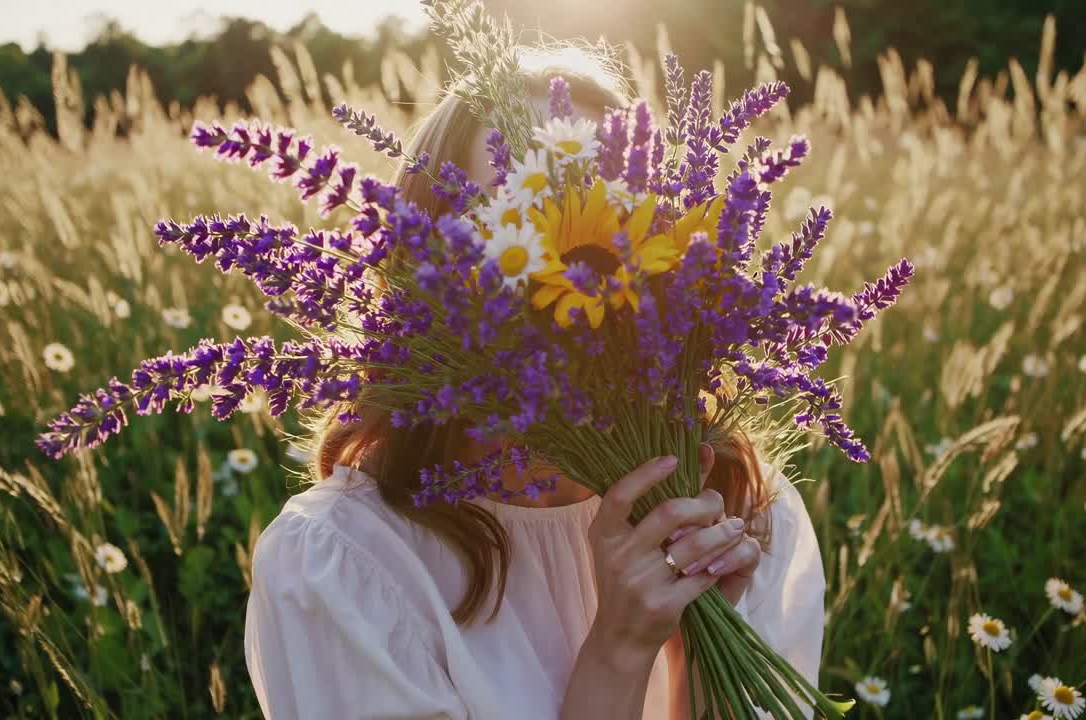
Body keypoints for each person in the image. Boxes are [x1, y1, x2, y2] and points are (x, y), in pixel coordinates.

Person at [244, 46, 826, 720]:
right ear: (424, 282)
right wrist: (618, 650)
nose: (570, 275)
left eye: (613, 222)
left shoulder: (741, 509)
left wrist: (696, 658)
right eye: (510, 230)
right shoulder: (349, 566)